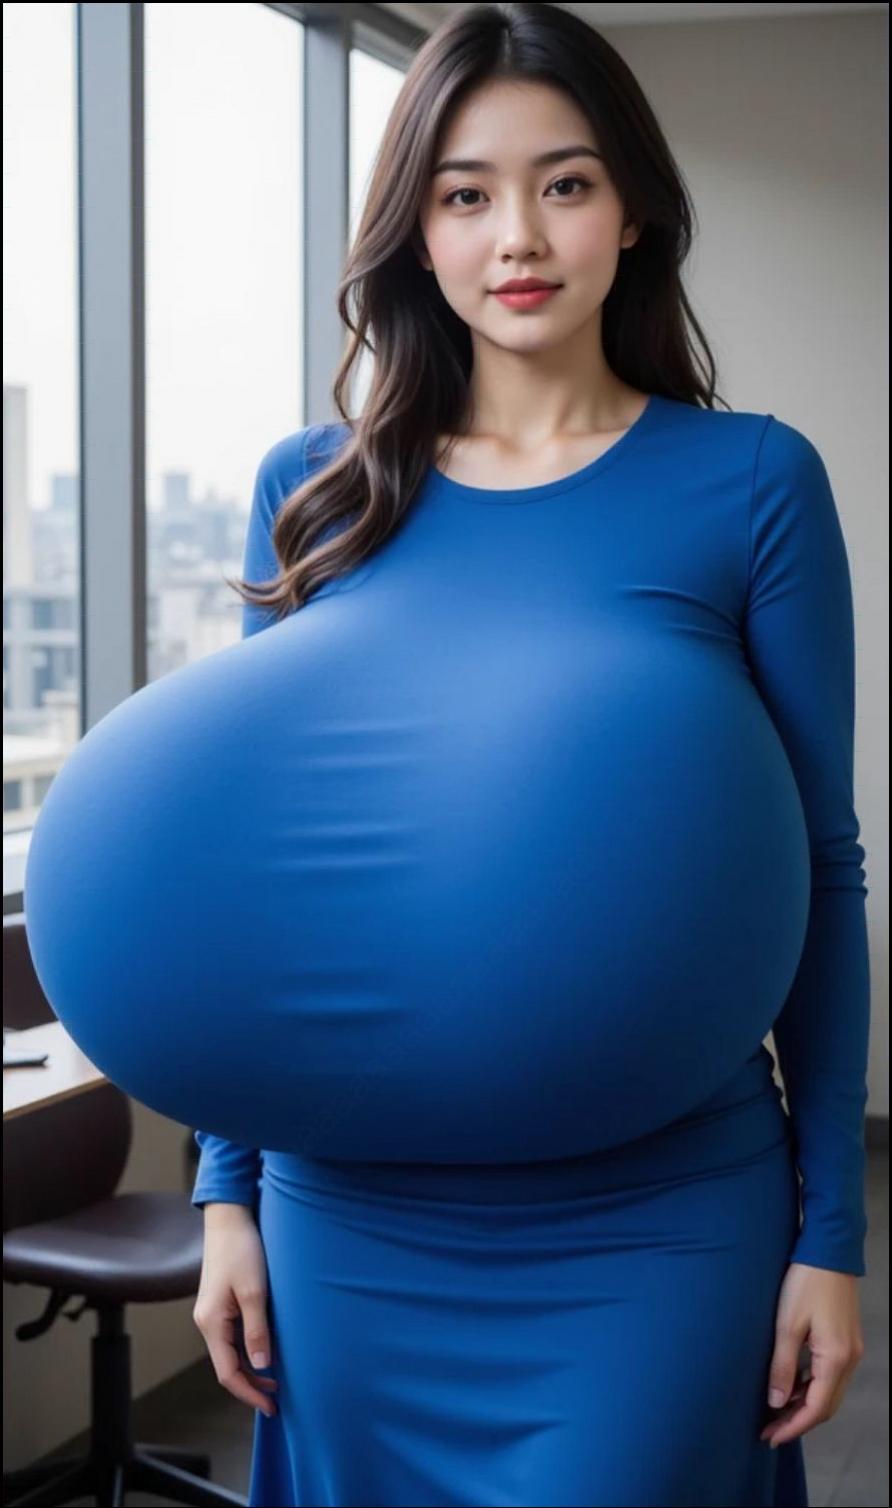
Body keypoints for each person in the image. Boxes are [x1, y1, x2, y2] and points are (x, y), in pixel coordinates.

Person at [23, 4, 869, 1505]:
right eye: (466, 193)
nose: (517, 236)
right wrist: (228, 1199)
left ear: (635, 212)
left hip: (659, 1215)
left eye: (566, 181)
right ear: (415, 232)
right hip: (350, 1222)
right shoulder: (319, 490)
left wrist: (829, 1239)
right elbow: (251, 880)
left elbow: (819, 864)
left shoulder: (751, 485)